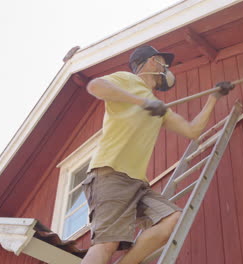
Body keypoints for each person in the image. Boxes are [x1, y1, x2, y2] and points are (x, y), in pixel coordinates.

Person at [81, 45, 234, 264]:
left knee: (172, 220)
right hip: (110, 173)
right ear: (152, 61)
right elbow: (95, 86)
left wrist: (213, 98)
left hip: (137, 183)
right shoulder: (129, 80)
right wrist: (142, 101)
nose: (167, 69)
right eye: (164, 63)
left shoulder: (159, 108)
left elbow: (192, 131)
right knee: (107, 244)